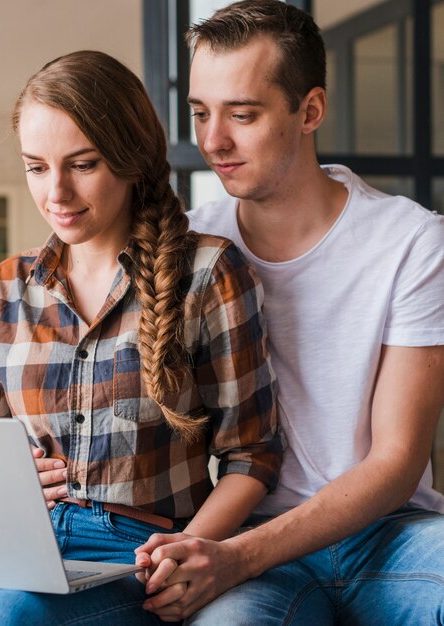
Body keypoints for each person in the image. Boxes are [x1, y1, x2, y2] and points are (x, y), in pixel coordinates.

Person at [0, 50, 281, 625]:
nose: (56, 192)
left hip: (135, 553)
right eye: (36, 167)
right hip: (6, 543)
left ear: (132, 159)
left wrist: (193, 551)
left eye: (82, 164)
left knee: (0, 620)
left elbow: (253, 453)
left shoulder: (208, 274)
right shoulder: (5, 288)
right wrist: (2, 474)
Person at [123, 1, 444, 624]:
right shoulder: (187, 250)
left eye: (242, 114)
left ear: (310, 111)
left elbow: (397, 461)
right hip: (244, 527)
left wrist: (237, 559)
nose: (213, 140)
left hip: (389, 532)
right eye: (199, 113)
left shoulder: (412, 241)